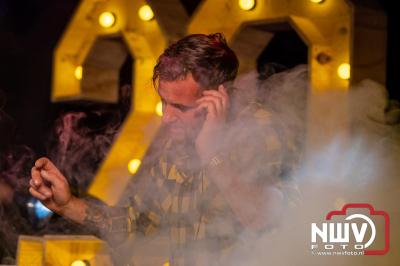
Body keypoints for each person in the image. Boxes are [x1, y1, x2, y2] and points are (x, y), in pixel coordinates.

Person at [29, 33, 296, 265]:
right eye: (163, 102)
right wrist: (66, 205)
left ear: (217, 98)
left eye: (180, 107)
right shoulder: (176, 143)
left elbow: (268, 220)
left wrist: (212, 155)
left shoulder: (260, 130)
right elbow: (134, 226)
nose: (166, 117)